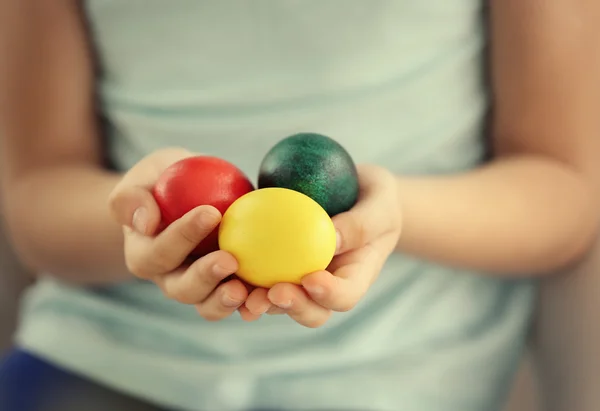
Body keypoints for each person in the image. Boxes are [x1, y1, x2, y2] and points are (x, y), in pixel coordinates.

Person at [0, 1, 599, 410]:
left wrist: (388, 213)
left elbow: (561, 193)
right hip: (106, 356)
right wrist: (143, 226)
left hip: (397, 376)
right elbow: (39, 199)